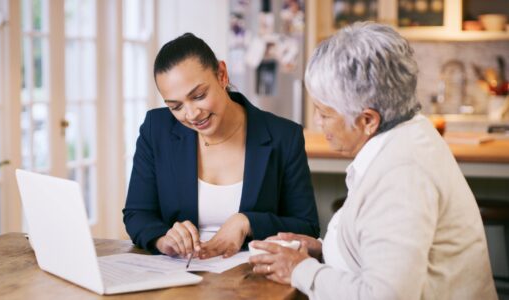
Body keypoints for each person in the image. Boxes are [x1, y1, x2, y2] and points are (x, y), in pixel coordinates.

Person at [249, 22, 496, 299]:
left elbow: (385, 295)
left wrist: (300, 270)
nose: (318, 124)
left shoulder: (401, 176)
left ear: (368, 120)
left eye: (324, 113)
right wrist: (324, 248)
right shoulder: (408, 133)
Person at [123, 33, 319, 259]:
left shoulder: (284, 136)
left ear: (222, 75)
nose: (192, 114)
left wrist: (247, 222)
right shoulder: (155, 129)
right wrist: (162, 239)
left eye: (199, 95)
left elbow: (307, 227)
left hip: (254, 278)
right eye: (176, 107)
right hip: (180, 276)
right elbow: (137, 213)